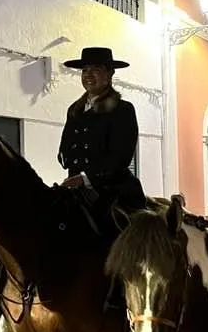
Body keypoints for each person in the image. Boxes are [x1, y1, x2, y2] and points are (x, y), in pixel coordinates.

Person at [57, 47, 146, 222]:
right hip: (76, 190)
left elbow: (120, 157)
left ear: (110, 74)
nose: (88, 75)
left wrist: (85, 178)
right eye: (85, 70)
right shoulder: (74, 110)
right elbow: (65, 148)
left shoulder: (122, 109)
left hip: (114, 191)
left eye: (96, 69)